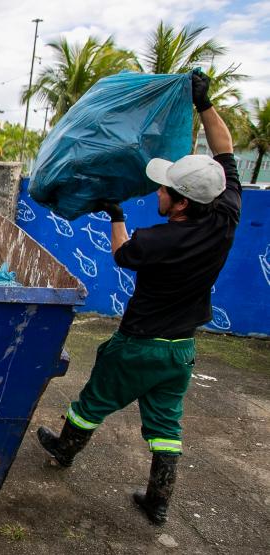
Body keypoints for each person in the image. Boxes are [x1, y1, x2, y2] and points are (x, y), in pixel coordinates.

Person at [36, 70, 241, 526]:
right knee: (167, 427)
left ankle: (63, 450)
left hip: (139, 344)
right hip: (181, 349)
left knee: (93, 403)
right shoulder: (225, 215)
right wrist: (205, 104)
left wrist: (116, 214)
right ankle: (158, 500)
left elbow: (123, 253)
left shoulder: (158, 241)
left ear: (182, 203)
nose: (160, 192)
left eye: (165, 189)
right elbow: (224, 150)